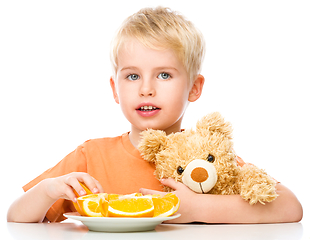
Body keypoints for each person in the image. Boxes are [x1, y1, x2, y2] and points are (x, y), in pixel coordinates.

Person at [7, 6, 302, 224]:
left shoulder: (208, 158)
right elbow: (16, 217)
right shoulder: (91, 155)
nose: (146, 89)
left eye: (164, 74)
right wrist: (47, 191)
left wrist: (197, 208)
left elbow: (290, 207)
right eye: (132, 76)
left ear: (194, 88)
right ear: (115, 89)